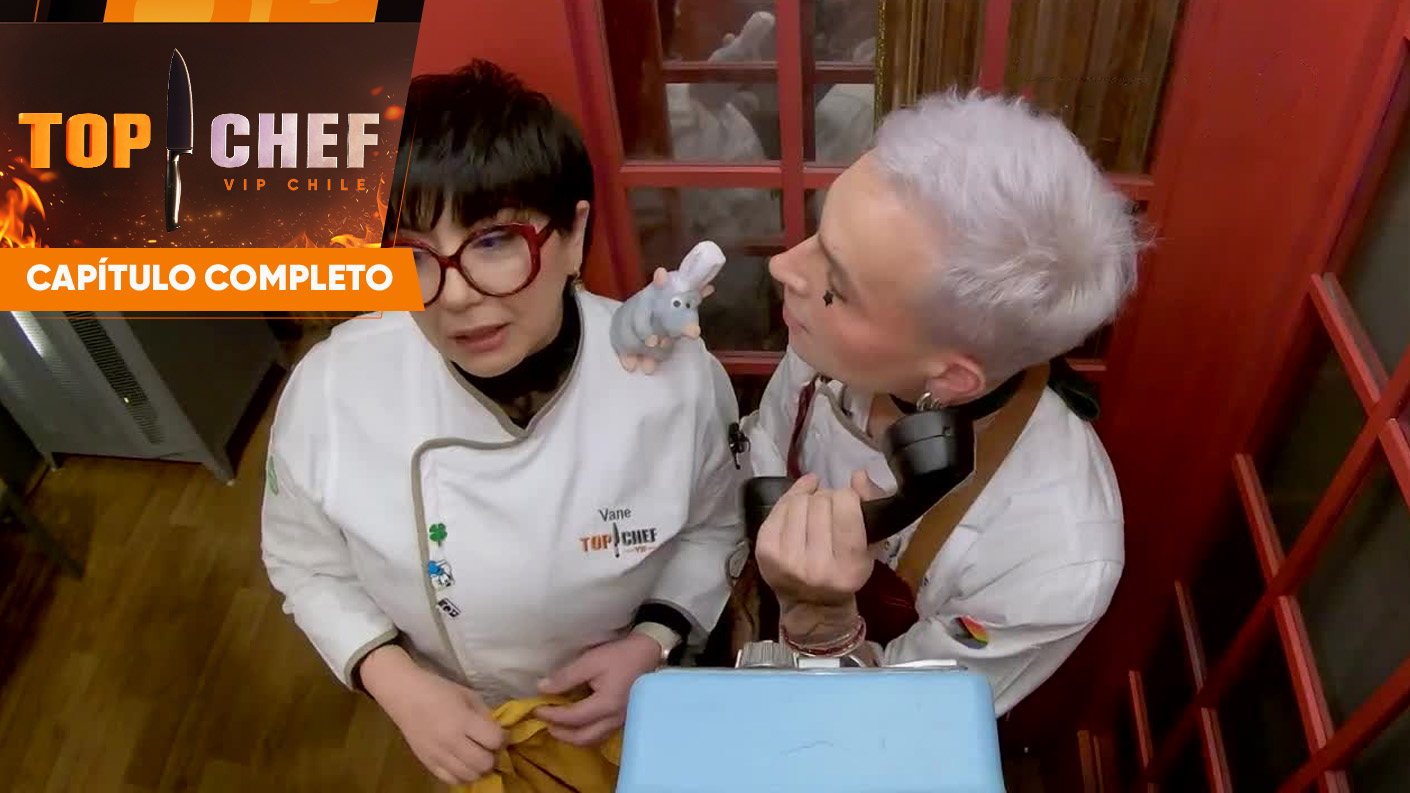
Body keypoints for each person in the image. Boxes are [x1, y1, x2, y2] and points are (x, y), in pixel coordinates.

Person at [259, 60, 744, 787]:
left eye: (493, 240)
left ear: (573, 235)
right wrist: (396, 681)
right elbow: (305, 564)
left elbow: (715, 527)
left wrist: (652, 639)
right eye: (412, 254)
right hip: (465, 715)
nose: (455, 295)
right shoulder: (331, 391)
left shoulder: (676, 381)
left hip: (642, 689)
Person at [683, 90, 1141, 716]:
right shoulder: (826, 340)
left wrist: (822, 624)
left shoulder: (1051, 557)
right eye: (819, 233)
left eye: (837, 286)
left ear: (949, 379)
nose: (783, 267)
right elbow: (765, 438)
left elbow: (906, 724)